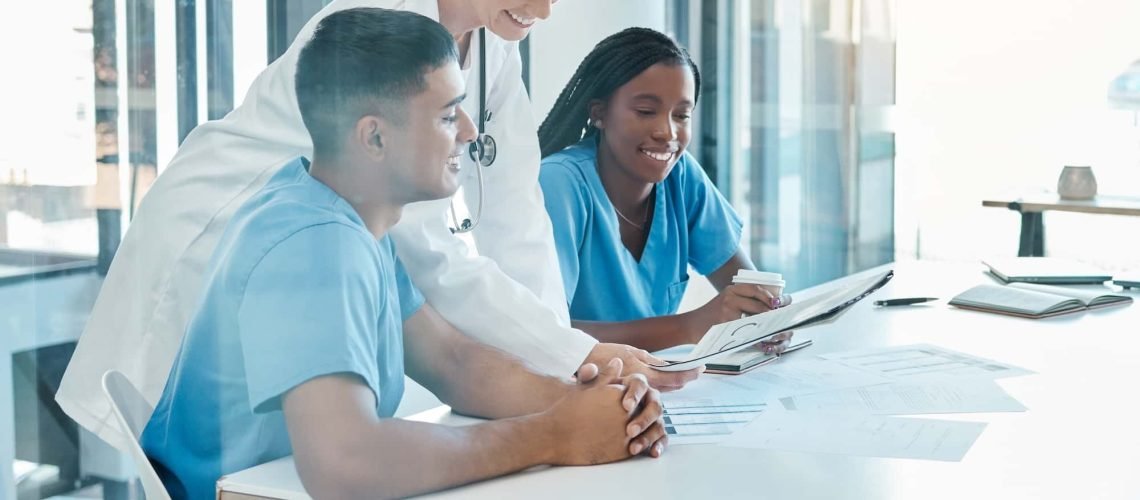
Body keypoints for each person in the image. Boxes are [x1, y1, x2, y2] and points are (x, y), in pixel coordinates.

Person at [58, 0, 699, 453]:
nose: (548, 9)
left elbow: (514, 220)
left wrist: (573, 375)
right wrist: (569, 380)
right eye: (448, 115)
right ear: (374, 132)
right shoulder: (321, 232)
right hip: (215, 246)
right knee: (212, 448)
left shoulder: (490, 47)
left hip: (301, 273)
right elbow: (349, 456)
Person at [537, 28, 792, 352]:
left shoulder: (680, 176)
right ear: (599, 113)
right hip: (570, 390)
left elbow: (747, 288)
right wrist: (689, 326)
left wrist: (770, 316)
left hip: (654, 383)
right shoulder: (558, 184)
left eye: (682, 115)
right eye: (646, 111)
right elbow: (544, 336)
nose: (667, 132)